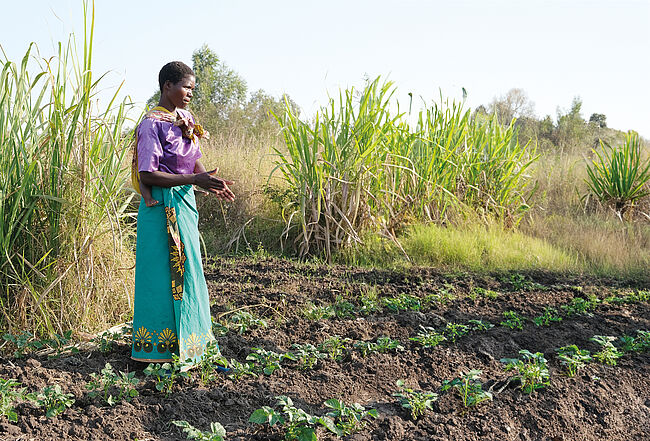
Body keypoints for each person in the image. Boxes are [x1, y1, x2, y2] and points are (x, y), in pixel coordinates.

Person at [130, 61, 234, 368]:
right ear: (167, 87)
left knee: (190, 273)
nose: (190, 93)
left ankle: (194, 345)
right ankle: (156, 352)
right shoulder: (151, 124)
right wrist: (193, 180)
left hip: (184, 204)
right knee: (162, 275)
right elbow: (147, 174)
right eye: (185, 87)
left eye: (192, 88)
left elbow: (193, 160)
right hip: (161, 207)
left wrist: (210, 183)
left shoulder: (185, 118)